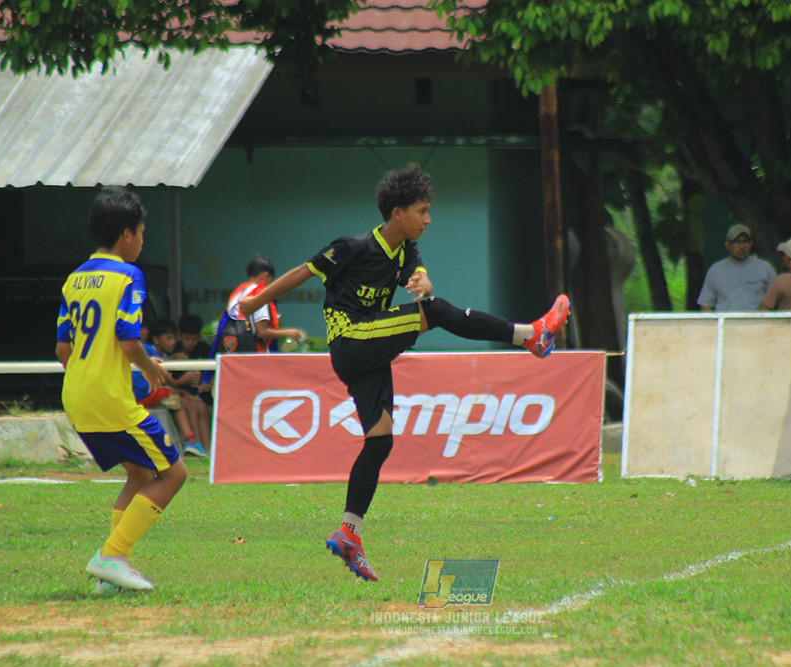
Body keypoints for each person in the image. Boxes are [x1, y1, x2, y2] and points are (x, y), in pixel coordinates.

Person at [238, 163, 570, 582]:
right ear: (397, 213)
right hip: (351, 339)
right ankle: (532, 335)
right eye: (422, 211)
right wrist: (254, 303)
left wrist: (424, 283)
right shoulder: (353, 247)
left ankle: (348, 533)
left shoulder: (406, 250)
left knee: (380, 442)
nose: (429, 220)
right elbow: (303, 272)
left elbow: (419, 274)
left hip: (368, 352)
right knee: (436, 313)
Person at [55, 186, 187, 592]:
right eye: (143, 233)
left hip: (76, 395)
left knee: (140, 472)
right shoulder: (129, 275)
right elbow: (129, 342)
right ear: (127, 234)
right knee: (174, 473)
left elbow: (64, 350)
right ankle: (112, 555)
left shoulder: (75, 280)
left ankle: (111, 574)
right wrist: (152, 370)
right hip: (108, 398)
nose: (142, 241)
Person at [140, 319, 210, 457]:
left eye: (174, 338)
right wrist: (183, 383)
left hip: (159, 392)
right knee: (184, 403)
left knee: (198, 405)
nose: (173, 342)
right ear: (156, 339)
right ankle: (192, 442)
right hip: (147, 394)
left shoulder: (164, 354)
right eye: (169, 338)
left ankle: (206, 449)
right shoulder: (150, 351)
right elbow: (165, 383)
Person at [697, 224, 776, 312]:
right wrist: (713, 324)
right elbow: (705, 305)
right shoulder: (715, 271)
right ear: (728, 245)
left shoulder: (765, 268)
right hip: (725, 323)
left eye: (745, 242)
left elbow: (775, 300)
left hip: (755, 324)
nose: (741, 247)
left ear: (751, 244)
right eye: (736, 242)